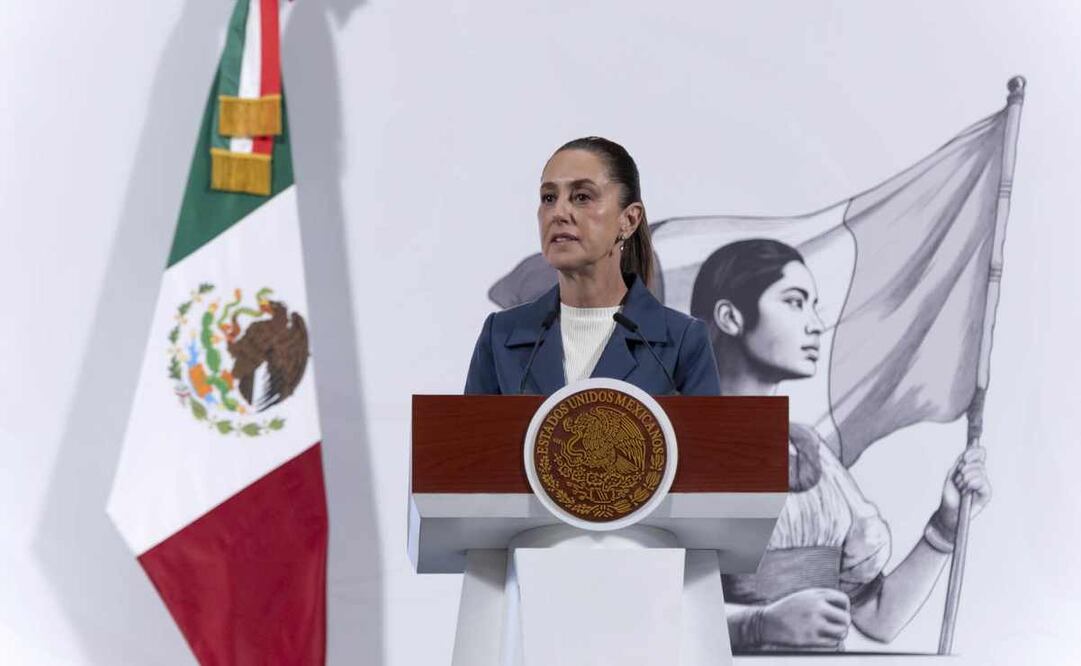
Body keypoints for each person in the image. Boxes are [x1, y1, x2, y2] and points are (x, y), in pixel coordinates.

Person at [689, 238, 992, 651]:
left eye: (815, 306)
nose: (815, 324)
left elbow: (877, 618)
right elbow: (656, 610)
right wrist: (759, 625)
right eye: (795, 302)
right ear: (730, 316)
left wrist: (945, 526)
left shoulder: (807, 450)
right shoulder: (686, 443)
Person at [465, 137, 720, 397]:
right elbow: (468, 436)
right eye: (549, 197)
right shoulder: (501, 335)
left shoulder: (682, 340)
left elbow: (708, 438)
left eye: (582, 197)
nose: (558, 213)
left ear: (629, 220)